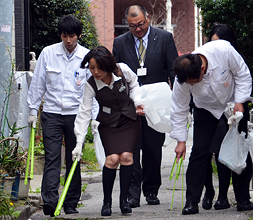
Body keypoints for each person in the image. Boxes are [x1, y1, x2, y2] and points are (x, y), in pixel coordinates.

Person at [170, 39, 253, 215]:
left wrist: (240, 100)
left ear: (202, 68)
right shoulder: (183, 79)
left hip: (234, 103)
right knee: (199, 152)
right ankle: (192, 202)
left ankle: (243, 199)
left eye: (194, 82)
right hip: (205, 109)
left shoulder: (223, 50)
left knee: (240, 150)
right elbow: (179, 109)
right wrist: (180, 140)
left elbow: (242, 74)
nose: (191, 85)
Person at [26, 15, 98, 217]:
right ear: (61, 35)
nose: (68, 40)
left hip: (77, 115)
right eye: (65, 36)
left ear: (79, 35)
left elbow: (93, 89)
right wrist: (32, 110)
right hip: (52, 113)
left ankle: (71, 202)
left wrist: (94, 117)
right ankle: (50, 201)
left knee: (74, 158)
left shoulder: (86, 57)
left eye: (72, 36)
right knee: (52, 158)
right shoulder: (48, 53)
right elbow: (38, 82)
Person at [112, 4, 178, 208]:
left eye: (140, 24)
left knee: (153, 148)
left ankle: (151, 190)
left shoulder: (164, 38)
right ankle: (133, 194)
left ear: (148, 18)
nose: (137, 29)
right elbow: (116, 76)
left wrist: (177, 101)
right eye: (132, 26)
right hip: (131, 106)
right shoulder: (120, 43)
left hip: (156, 105)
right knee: (132, 149)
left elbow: (174, 71)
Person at [73, 46, 145, 216]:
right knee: (112, 159)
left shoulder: (122, 70)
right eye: (91, 68)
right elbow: (84, 111)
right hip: (108, 123)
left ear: (108, 64)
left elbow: (134, 85)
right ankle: (107, 202)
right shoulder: (91, 84)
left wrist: (137, 102)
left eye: (99, 67)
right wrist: (79, 142)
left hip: (130, 119)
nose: (96, 71)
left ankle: (124, 201)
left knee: (127, 157)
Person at [202, 24, 248, 211]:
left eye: (220, 42)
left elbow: (243, 81)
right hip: (211, 110)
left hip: (234, 111)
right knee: (210, 153)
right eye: (213, 43)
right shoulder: (205, 61)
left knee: (233, 153)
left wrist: (239, 102)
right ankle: (213, 192)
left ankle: (234, 196)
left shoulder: (236, 59)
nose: (216, 48)